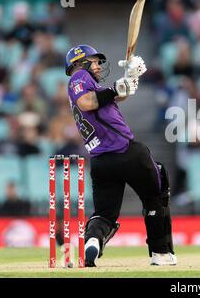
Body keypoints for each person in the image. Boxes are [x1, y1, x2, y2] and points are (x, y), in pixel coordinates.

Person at [65, 44, 177, 267]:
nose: (98, 66)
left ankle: (93, 242)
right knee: (156, 195)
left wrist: (130, 80)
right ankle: (161, 253)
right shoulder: (78, 78)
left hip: (101, 161)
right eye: (95, 61)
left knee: (105, 214)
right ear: (80, 63)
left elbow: (110, 98)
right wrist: (117, 88)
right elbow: (87, 102)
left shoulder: (90, 86)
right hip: (127, 151)